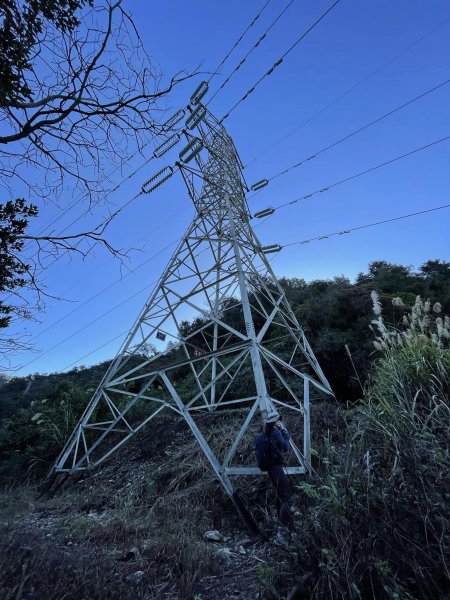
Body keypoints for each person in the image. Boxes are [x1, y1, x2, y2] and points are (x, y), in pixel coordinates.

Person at [255, 409, 294, 543]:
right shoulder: (276, 432)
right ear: (275, 422)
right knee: (286, 496)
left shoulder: (265, 433)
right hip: (276, 467)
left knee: (280, 494)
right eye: (278, 420)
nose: (279, 422)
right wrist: (286, 436)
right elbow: (285, 447)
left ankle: (280, 523)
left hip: (271, 469)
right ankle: (285, 528)